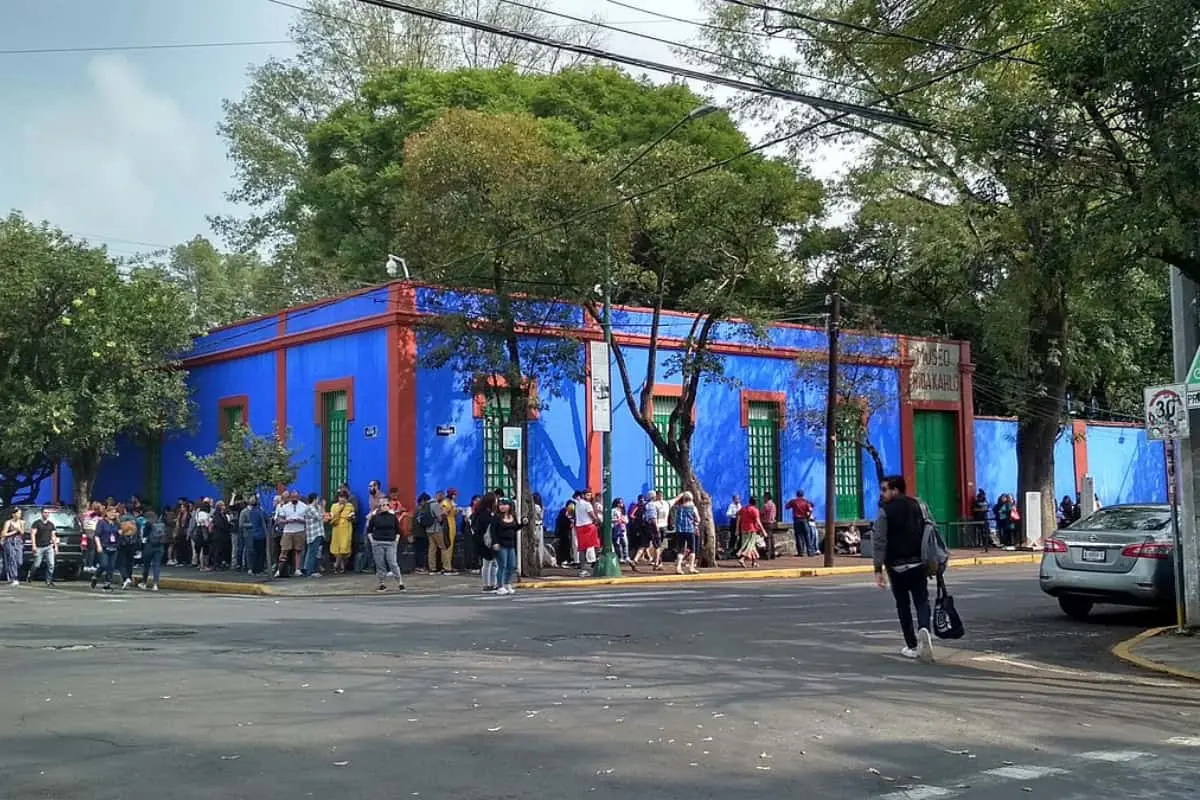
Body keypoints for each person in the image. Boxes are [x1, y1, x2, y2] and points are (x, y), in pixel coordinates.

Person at [873, 475, 935, 663]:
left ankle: (912, 645)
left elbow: (879, 540)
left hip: (896, 566)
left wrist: (878, 568)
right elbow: (930, 528)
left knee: (903, 605)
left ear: (895, 490)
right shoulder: (919, 505)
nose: (882, 493)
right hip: (918, 562)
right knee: (922, 600)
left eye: (885, 489)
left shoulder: (885, 511)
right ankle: (924, 628)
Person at [366, 499, 405, 592]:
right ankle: (382, 583)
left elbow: (398, 530)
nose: (385, 506)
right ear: (379, 507)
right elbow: (369, 530)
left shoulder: (393, 517)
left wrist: (396, 540)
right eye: (383, 505)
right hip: (378, 542)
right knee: (380, 564)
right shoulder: (375, 517)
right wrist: (372, 541)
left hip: (390, 543)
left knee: (393, 563)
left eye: (387, 504)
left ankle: (400, 582)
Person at [489, 497, 524, 595]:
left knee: (511, 565)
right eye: (500, 504)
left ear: (510, 506)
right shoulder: (496, 517)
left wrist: (522, 524)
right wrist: (495, 542)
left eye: (505, 504)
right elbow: (493, 531)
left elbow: (515, 527)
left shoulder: (512, 516)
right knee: (502, 565)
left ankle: (507, 583)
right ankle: (500, 586)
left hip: (511, 544)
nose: (502, 507)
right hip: (501, 544)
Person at [473, 493, 498, 591]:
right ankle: (487, 584)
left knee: (492, 563)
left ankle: (492, 584)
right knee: (488, 563)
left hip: (483, 540)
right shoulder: (485, 514)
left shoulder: (480, 513)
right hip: (486, 541)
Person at [91, 508, 121, 591]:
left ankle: (107, 583)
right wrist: (98, 546)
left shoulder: (117, 523)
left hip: (114, 547)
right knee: (104, 565)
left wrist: (121, 533)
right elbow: (96, 535)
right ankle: (96, 575)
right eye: (111, 512)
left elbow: (119, 533)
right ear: (106, 513)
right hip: (104, 546)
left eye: (114, 512)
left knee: (111, 566)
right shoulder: (101, 522)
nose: (113, 514)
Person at [27, 507, 58, 587]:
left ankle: (48, 580)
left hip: (48, 547)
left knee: (51, 564)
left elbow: (53, 536)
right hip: (39, 547)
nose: (46, 514)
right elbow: (33, 534)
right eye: (45, 512)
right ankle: (30, 574)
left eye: (48, 513)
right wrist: (33, 546)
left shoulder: (51, 524)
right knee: (37, 564)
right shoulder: (37, 523)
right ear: (41, 513)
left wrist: (56, 546)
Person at [671, 492, 699, 574]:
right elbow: (698, 519)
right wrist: (695, 523)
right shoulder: (693, 508)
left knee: (680, 550)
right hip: (690, 530)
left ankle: (678, 567)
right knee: (692, 550)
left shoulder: (679, 508)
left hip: (680, 531)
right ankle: (691, 567)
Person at [329, 489, 355, 574]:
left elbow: (353, 515)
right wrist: (340, 509)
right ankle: (340, 566)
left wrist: (351, 517)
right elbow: (332, 517)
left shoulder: (350, 506)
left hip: (346, 528)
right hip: (337, 528)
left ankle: (337, 565)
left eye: (344, 497)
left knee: (344, 547)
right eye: (340, 497)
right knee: (337, 547)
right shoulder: (334, 506)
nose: (342, 499)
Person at [735, 497, 766, 568]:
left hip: (743, 529)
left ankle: (754, 562)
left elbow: (738, 519)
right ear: (755, 503)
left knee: (751, 546)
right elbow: (758, 522)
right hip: (751, 530)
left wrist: (737, 529)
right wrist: (763, 531)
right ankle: (742, 559)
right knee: (750, 546)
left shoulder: (743, 509)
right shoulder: (755, 510)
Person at [140, 510, 166, 591]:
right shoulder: (161, 524)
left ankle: (144, 583)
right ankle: (155, 584)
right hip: (160, 546)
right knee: (156, 565)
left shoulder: (148, 524)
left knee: (146, 565)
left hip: (149, 546)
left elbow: (144, 535)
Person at [302, 493, 326, 577]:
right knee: (312, 552)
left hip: (318, 532)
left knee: (314, 552)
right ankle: (310, 571)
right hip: (313, 533)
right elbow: (320, 517)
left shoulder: (316, 508)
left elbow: (323, 517)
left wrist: (321, 509)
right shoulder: (310, 508)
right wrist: (323, 508)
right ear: (314, 499)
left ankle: (310, 569)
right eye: (317, 499)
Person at [785, 491, 815, 557]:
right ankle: (810, 552)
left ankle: (801, 552)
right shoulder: (806, 501)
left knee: (798, 536)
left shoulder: (794, 501)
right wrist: (808, 516)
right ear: (803, 495)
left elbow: (786, 507)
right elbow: (810, 509)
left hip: (797, 520)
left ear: (797, 495)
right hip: (804, 519)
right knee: (807, 535)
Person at [2, 508, 24, 585]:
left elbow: (22, 532)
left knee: (19, 561)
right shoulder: (8, 522)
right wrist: (14, 531)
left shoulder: (21, 522)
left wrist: (19, 529)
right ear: (14, 514)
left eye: (20, 513)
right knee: (12, 559)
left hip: (18, 542)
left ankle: (13, 575)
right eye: (18, 513)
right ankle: (14, 577)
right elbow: (4, 534)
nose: (20, 515)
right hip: (9, 542)